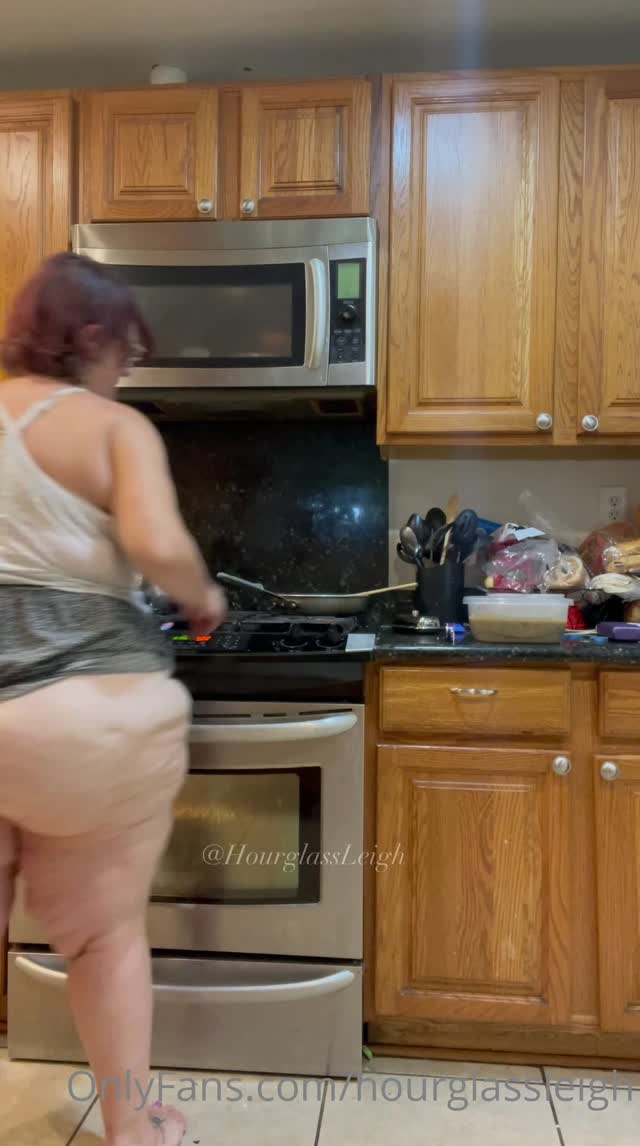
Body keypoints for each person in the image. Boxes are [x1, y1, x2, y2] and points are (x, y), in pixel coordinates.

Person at [0, 253, 227, 1146]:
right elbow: (158, 545)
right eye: (126, 353)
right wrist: (202, 597)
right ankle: (133, 1127)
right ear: (90, 336)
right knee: (103, 938)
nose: (126, 372)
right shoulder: (112, 428)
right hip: (86, 717)